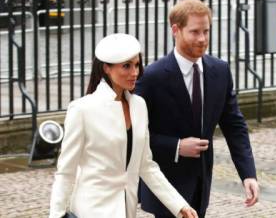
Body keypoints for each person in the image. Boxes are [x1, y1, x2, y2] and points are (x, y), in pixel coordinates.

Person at [49, 33, 198, 218]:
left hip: (127, 210)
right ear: (106, 68)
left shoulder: (139, 106)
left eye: (136, 65)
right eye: (126, 66)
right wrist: (56, 214)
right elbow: (65, 172)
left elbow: (147, 166)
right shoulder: (81, 109)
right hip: (91, 210)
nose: (134, 72)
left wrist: (179, 205)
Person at [135, 0, 259, 218]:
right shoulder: (152, 77)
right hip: (164, 186)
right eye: (194, 32)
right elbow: (133, 134)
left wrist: (248, 174)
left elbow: (234, 125)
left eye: (206, 31)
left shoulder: (220, 71)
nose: (202, 39)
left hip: (201, 184)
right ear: (176, 30)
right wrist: (176, 146)